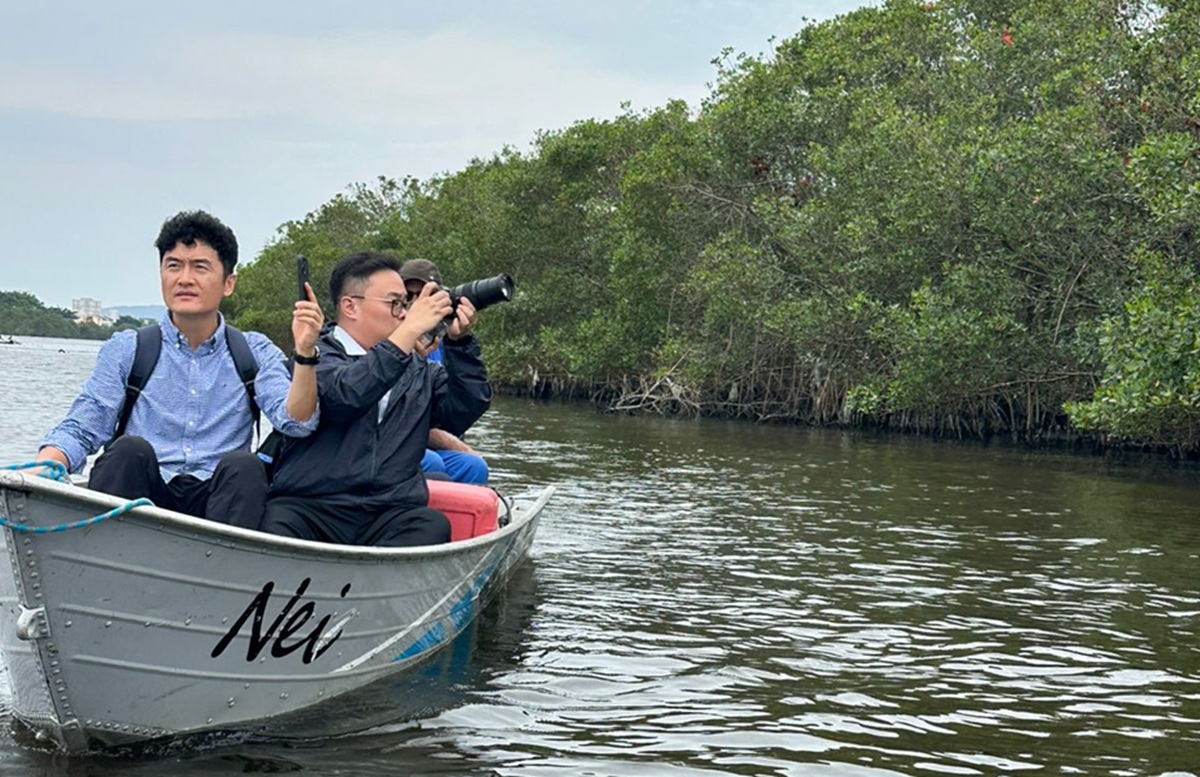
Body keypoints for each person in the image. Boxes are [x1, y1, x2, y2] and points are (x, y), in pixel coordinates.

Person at [37, 210, 322, 528]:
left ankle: (222, 572)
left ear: (228, 283)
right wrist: (43, 469)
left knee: (245, 466)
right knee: (127, 452)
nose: (184, 279)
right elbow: (83, 426)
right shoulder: (128, 348)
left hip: (220, 506)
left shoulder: (253, 351)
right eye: (174, 266)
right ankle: (111, 559)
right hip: (141, 498)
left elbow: (298, 424)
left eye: (200, 267)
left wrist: (306, 352)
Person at [261, 251, 492, 547]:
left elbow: (463, 410)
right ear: (350, 306)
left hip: (388, 511)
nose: (405, 313)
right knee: (276, 522)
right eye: (396, 303)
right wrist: (407, 335)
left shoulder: (418, 368)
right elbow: (346, 396)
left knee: (432, 525)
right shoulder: (316, 357)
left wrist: (460, 345)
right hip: (311, 506)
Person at [399, 259, 491, 485]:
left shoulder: (445, 346)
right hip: (396, 441)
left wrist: (461, 342)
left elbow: (467, 407)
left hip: (427, 438)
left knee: (475, 467)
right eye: (408, 296)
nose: (416, 303)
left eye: (425, 295)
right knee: (432, 463)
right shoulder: (388, 342)